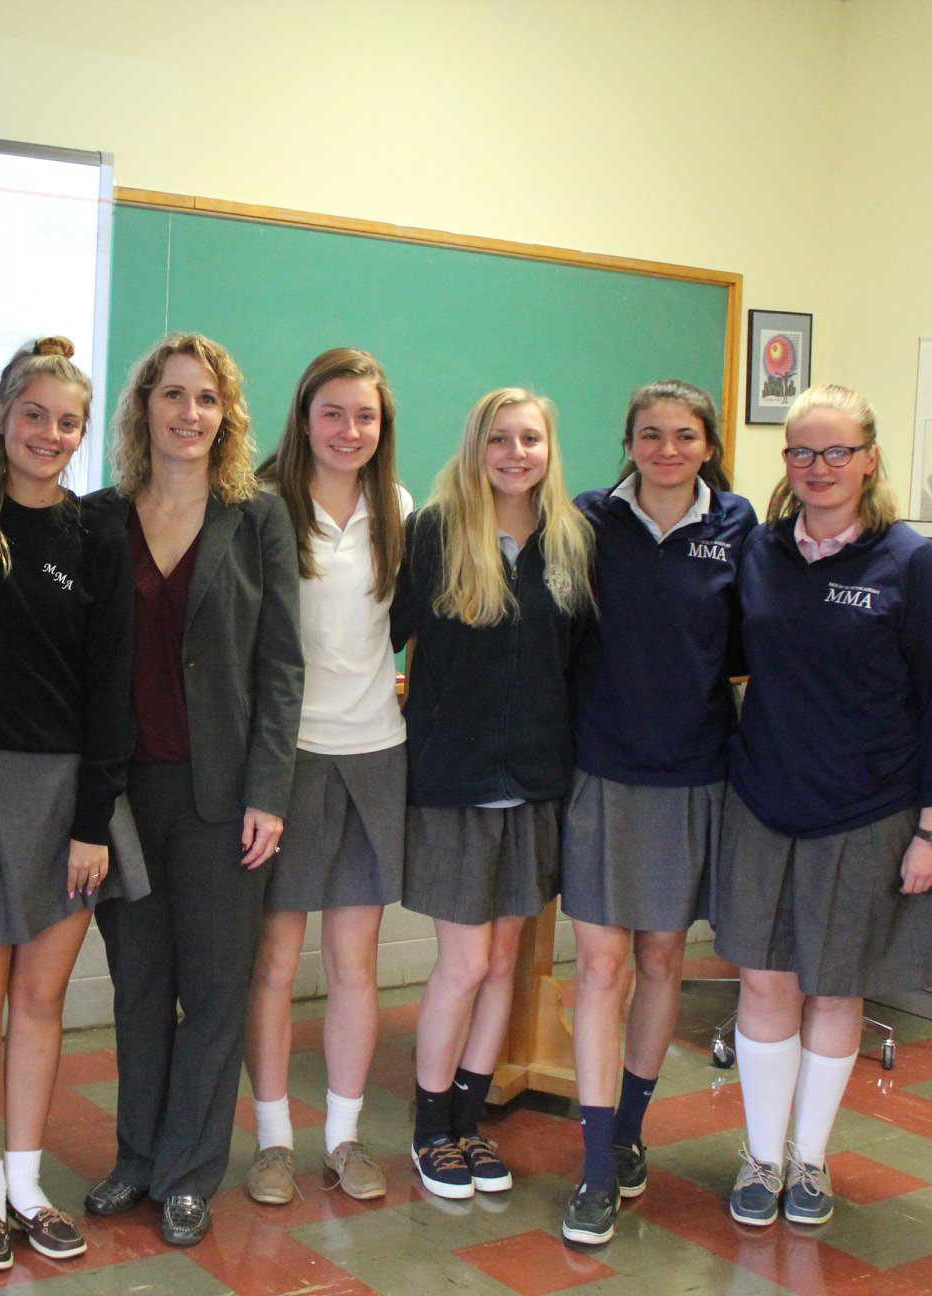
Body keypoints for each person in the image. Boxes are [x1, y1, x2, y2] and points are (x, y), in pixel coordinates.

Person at [716, 384, 932, 1228]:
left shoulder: (910, 563)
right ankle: (761, 1157)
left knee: (834, 989)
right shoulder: (759, 551)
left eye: (836, 452)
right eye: (801, 452)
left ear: (868, 459)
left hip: (867, 810)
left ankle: (810, 1162)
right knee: (764, 982)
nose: (817, 467)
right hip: (763, 800)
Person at [82, 333, 303, 1248]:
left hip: (224, 800)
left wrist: (269, 792)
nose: (189, 412)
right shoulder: (99, 518)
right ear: (144, 408)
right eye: (172, 395)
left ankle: (187, 1173)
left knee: (214, 990)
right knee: (139, 985)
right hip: (125, 799)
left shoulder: (258, 519)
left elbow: (281, 666)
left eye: (206, 398)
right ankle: (136, 1157)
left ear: (227, 414)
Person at [0, 336, 140, 1272]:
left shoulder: (97, 534)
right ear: (1, 417)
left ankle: (25, 1186)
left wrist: (94, 822)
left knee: (40, 998)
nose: (50, 434)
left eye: (68, 422)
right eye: (35, 415)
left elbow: (112, 686)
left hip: (68, 800)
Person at [557, 380, 757, 1245]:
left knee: (662, 955)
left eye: (684, 435)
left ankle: (630, 1132)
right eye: (650, 434)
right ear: (628, 442)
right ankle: (595, 1166)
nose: (666, 449)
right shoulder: (588, 519)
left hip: (692, 774)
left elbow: (748, 647)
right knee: (601, 968)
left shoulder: (738, 526)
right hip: (601, 771)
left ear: (708, 445)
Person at [391, 387, 595, 1201]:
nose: (516, 454)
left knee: (504, 960)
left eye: (530, 439)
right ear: (476, 448)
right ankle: (429, 1128)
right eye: (500, 439)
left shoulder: (572, 540)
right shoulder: (435, 534)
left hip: (536, 784)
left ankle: (468, 1124)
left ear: (549, 449)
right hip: (454, 783)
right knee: (467, 961)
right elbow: (385, 634)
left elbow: (576, 664)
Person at [243, 348, 409, 1206]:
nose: (350, 430)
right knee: (274, 962)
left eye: (365, 416)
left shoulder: (399, 509)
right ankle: (274, 1142)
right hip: (288, 758)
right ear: (304, 417)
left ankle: (344, 1138)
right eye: (333, 413)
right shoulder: (262, 504)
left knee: (354, 962)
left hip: (375, 754)